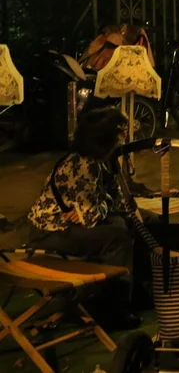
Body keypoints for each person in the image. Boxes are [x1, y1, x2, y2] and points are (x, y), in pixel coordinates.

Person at [27, 106, 141, 329]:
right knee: (117, 238)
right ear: (104, 139)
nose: (122, 138)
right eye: (118, 135)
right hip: (49, 233)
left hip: (66, 226)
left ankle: (127, 292)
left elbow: (111, 200)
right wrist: (104, 204)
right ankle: (113, 309)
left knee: (130, 223)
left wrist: (104, 203)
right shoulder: (82, 166)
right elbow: (91, 217)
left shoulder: (99, 161)